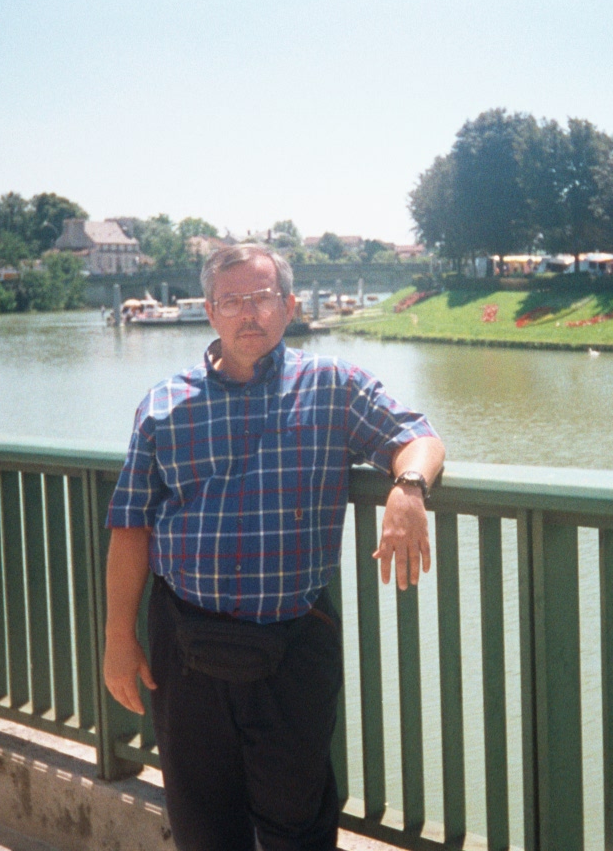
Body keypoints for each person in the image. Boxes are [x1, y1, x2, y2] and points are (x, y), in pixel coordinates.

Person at [103, 243, 444, 851]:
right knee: (203, 826)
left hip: (291, 644)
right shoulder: (163, 406)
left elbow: (417, 436)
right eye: (232, 300)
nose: (248, 314)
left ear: (288, 306)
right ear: (210, 311)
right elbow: (131, 526)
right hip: (186, 643)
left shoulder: (331, 386)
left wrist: (409, 489)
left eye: (261, 298)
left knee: (298, 828)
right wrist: (117, 638)